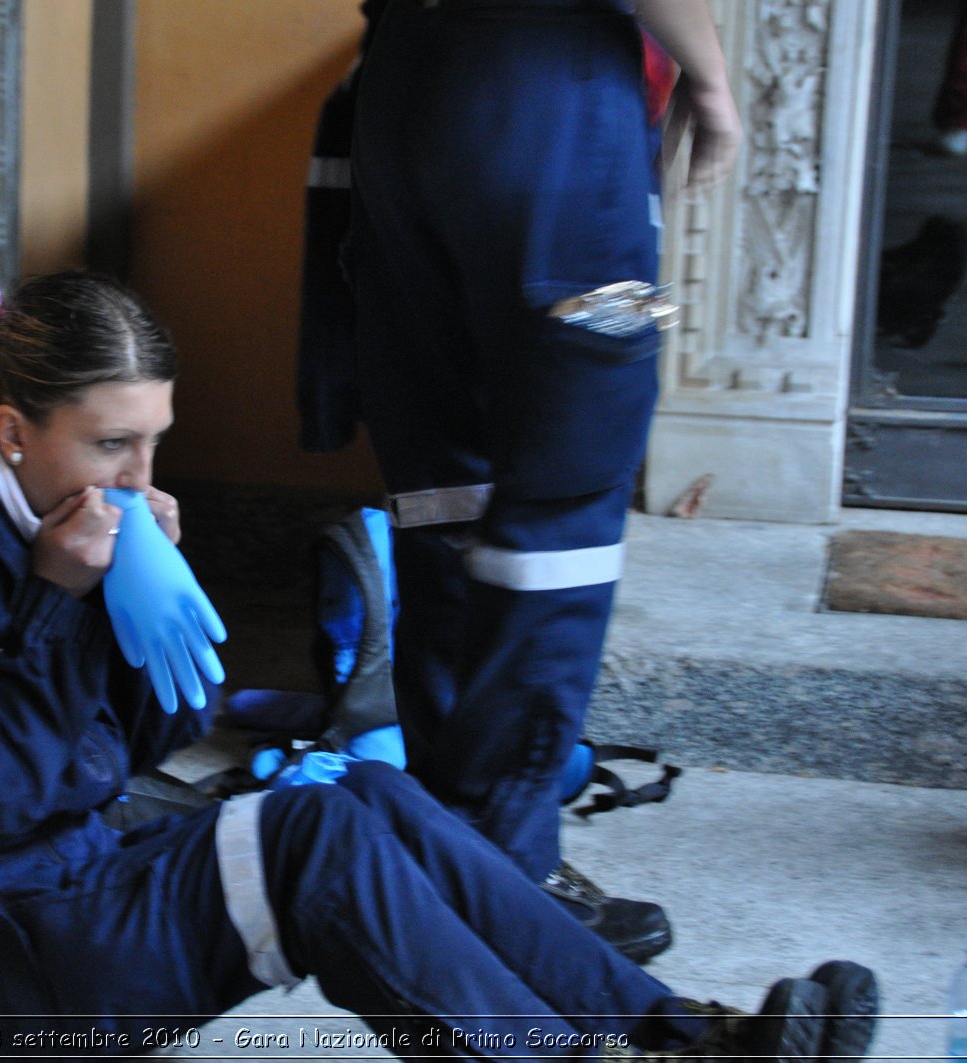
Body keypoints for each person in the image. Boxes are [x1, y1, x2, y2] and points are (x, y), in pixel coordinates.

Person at [0, 270, 877, 1059]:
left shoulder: (43, 513)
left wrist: (140, 592)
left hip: (59, 885)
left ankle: (686, 1035)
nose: (142, 473)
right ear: (13, 429)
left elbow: (151, 737)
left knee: (370, 790)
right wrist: (64, 604)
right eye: (114, 444)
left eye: (154, 438)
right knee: (306, 840)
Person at [342, 0, 743, 960]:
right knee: (563, 513)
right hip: (549, 89)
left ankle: (443, 839)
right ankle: (506, 873)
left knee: (442, 492)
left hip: (397, 88)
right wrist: (713, 81)